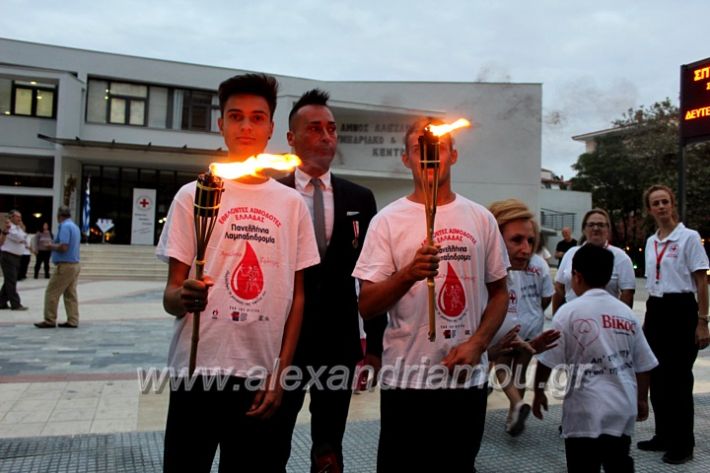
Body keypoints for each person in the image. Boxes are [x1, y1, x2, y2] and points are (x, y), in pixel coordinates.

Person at [156, 73, 320, 473]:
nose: (246, 126)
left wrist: (280, 373)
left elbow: (297, 297)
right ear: (221, 125)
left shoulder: (291, 204)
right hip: (197, 371)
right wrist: (186, 296)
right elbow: (171, 296)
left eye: (257, 117)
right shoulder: (193, 195)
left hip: (260, 377)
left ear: (271, 129)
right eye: (236, 116)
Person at [353, 118, 510, 472]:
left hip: (465, 381)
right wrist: (409, 273)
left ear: (452, 155)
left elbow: (500, 292)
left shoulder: (481, 219)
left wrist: (478, 344)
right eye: (417, 149)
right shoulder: (387, 221)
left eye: (436, 148)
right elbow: (367, 306)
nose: (427, 156)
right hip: (408, 381)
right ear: (406, 159)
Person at [273, 89, 386, 473]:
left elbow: (373, 272)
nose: (326, 136)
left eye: (332, 129)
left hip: (338, 342)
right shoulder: (272, 193)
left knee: (328, 447)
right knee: (272, 440)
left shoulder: (360, 197)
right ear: (291, 138)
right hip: (281, 342)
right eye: (315, 128)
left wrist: (375, 343)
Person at [533, 244, 658, 473]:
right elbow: (643, 364)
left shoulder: (568, 312)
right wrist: (641, 399)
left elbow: (547, 360)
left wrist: (538, 392)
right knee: (618, 460)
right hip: (621, 408)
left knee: (583, 465)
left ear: (576, 277)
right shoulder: (626, 314)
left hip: (583, 413)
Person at [635, 184, 709, 465]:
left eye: (665, 201)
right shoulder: (651, 241)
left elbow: (702, 281)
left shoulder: (689, 237)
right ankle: (662, 435)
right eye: (656, 203)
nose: (661, 206)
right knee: (657, 376)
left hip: (681, 309)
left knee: (678, 380)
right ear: (650, 209)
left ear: (673, 204)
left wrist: (702, 322)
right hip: (656, 309)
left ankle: (683, 444)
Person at [486, 199, 557, 437]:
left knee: (503, 367)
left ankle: (515, 406)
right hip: (531, 322)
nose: (526, 249)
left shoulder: (511, 273)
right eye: (516, 240)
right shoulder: (482, 277)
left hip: (515, 325)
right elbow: (547, 296)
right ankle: (514, 409)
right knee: (518, 371)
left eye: (530, 241)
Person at [552, 208, 635, 314]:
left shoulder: (621, 258)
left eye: (601, 225)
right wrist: (556, 318)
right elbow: (559, 288)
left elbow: (627, 293)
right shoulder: (571, 253)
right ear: (584, 229)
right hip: (572, 317)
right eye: (591, 225)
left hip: (606, 320)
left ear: (608, 229)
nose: (596, 228)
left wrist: (621, 321)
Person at [34, 206, 81, 328]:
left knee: (52, 292)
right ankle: (73, 319)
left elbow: (64, 246)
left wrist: (51, 246)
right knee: (70, 293)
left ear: (59, 216)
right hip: (75, 264)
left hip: (65, 265)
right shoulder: (75, 227)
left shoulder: (65, 227)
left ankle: (49, 319)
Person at [0, 210, 29, 310]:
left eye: (20, 217)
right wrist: (23, 237)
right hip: (8, 256)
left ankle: (1, 302)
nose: (19, 219)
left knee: (10, 280)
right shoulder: (10, 228)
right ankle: (15, 304)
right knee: (11, 281)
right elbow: (20, 238)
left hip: (16, 257)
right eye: (17, 217)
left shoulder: (17, 228)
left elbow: (25, 237)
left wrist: (22, 234)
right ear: (11, 217)